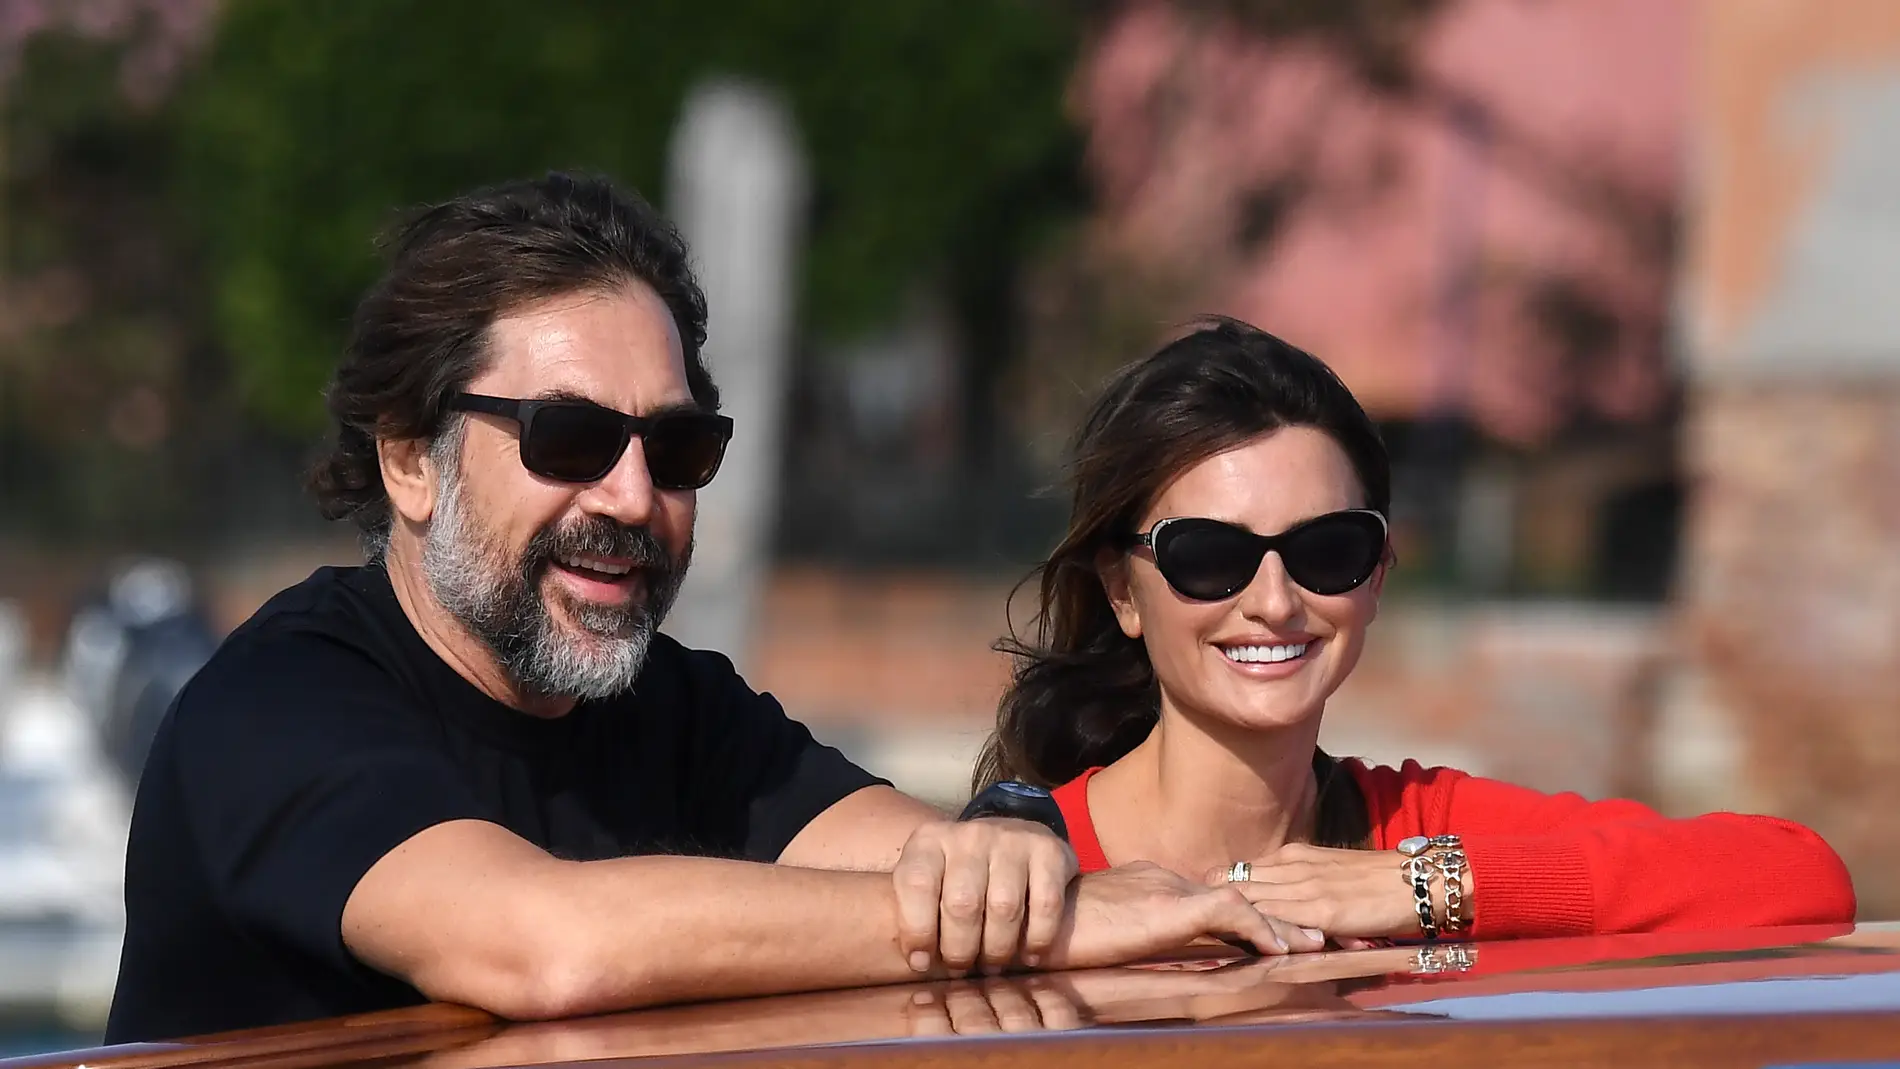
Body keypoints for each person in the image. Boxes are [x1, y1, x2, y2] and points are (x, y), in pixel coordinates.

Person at [104, 176, 1307, 1043]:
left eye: (676, 446)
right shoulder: (274, 708)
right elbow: (545, 944)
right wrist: (1038, 926)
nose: (631, 496)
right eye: (569, 437)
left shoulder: (680, 707)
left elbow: (937, 856)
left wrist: (1006, 834)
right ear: (412, 461)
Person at [974, 318, 1857, 948]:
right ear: (1124, 590)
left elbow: (1799, 874)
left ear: (1380, 573)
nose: (1275, 601)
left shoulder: (1416, 832)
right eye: (1211, 556)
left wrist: (1426, 888)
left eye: (1329, 549)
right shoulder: (1015, 862)